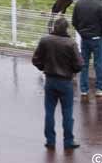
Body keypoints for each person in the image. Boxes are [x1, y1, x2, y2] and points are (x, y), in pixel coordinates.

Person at [32, 17, 83, 150]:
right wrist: (71, 71)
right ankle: (68, 141)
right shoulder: (71, 44)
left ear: (54, 27)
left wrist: (44, 68)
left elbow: (35, 59)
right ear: (66, 28)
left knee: (49, 112)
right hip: (65, 82)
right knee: (67, 113)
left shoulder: (45, 40)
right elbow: (79, 65)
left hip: (50, 81)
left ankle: (50, 140)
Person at [72, 0, 102, 97]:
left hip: (85, 39)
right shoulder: (101, 5)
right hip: (97, 39)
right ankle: (100, 89)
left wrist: (82, 32)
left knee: (84, 64)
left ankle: (84, 89)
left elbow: (75, 22)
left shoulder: (79, 3)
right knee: (99, 64)